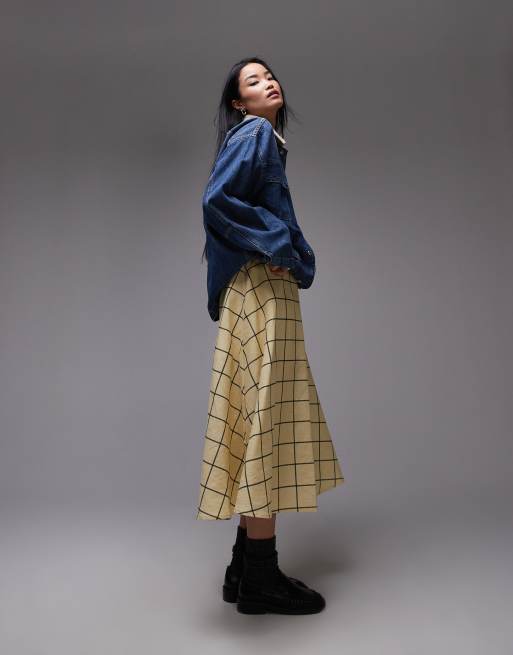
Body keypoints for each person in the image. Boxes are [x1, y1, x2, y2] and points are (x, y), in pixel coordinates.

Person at [196, 57, 345, 615]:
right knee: (268, 423)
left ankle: (243, 569)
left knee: (258, 419)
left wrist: (281, 248)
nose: (268, 83)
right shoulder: (255, 132)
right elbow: (217, 201)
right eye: (253, 81)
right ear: (239, 103)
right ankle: (260, 578)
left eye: (269, 75)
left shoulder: (260, 139)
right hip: (260, 289)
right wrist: (278, 242)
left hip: (249, 291)